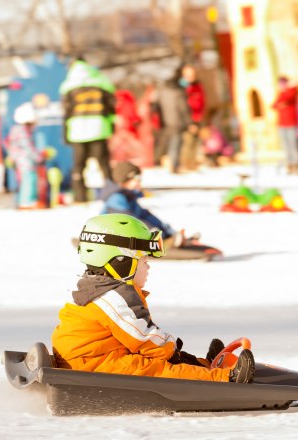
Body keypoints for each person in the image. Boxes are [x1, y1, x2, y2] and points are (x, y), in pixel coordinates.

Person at [51, 213, 255, 383]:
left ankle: (204, 366)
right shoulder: (112, 297)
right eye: (143, 260)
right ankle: (225, 379)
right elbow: (144, 338)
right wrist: (172, 349)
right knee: (158, 370)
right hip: (92, 366)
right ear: (122, 262)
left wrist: (182, 357)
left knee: (162, 357)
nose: (148, 266)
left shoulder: (100, 289)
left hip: (91, 360)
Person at [59, 57, 116, 203]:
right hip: (99, 128)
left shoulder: (68, 84)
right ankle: (112, 194)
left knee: (78, 166)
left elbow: (66, 111)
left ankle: (79, 196)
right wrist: (111, 125)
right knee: (103, 165)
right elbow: (111, 107)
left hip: (77, 131)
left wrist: (65, 132)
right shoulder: (101, 81)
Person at [100, 161, 178, 246]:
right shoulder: (115, 199)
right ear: (125, 180)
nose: (139, 182)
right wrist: (153, 233)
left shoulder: (130, 197)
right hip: (111, 241)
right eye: (137, 179)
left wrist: (166, 231)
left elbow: (145, 215)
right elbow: (130, 220)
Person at [6, 103, 45, 209]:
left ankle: (26, 200)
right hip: (23, 160)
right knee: (28, 179)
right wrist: (39, 157)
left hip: (20, 159)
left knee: (25, 180)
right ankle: (26, 202)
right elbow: (28, 147)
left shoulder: (17, 129)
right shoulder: (22, 131)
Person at [156, 69, 192, 173]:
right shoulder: (178, 92)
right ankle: (174, 165)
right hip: (178, 121)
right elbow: (183, 108)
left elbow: (157, 106)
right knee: (176, 144)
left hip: (167, 121)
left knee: (169, 143)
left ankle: (166, 162)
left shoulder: (163, 91)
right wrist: (189, 122)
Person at [272, 76, 298, 175]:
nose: (281, 86)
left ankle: (296, 165)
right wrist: (281, 103)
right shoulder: (281, 94)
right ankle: (289, 165)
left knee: (293, 145)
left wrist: (289, 88)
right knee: (286, 146)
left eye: (282, 83)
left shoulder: (291, 91)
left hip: (291, 123)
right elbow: (274, 105)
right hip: (282, 124)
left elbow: (288, 98)